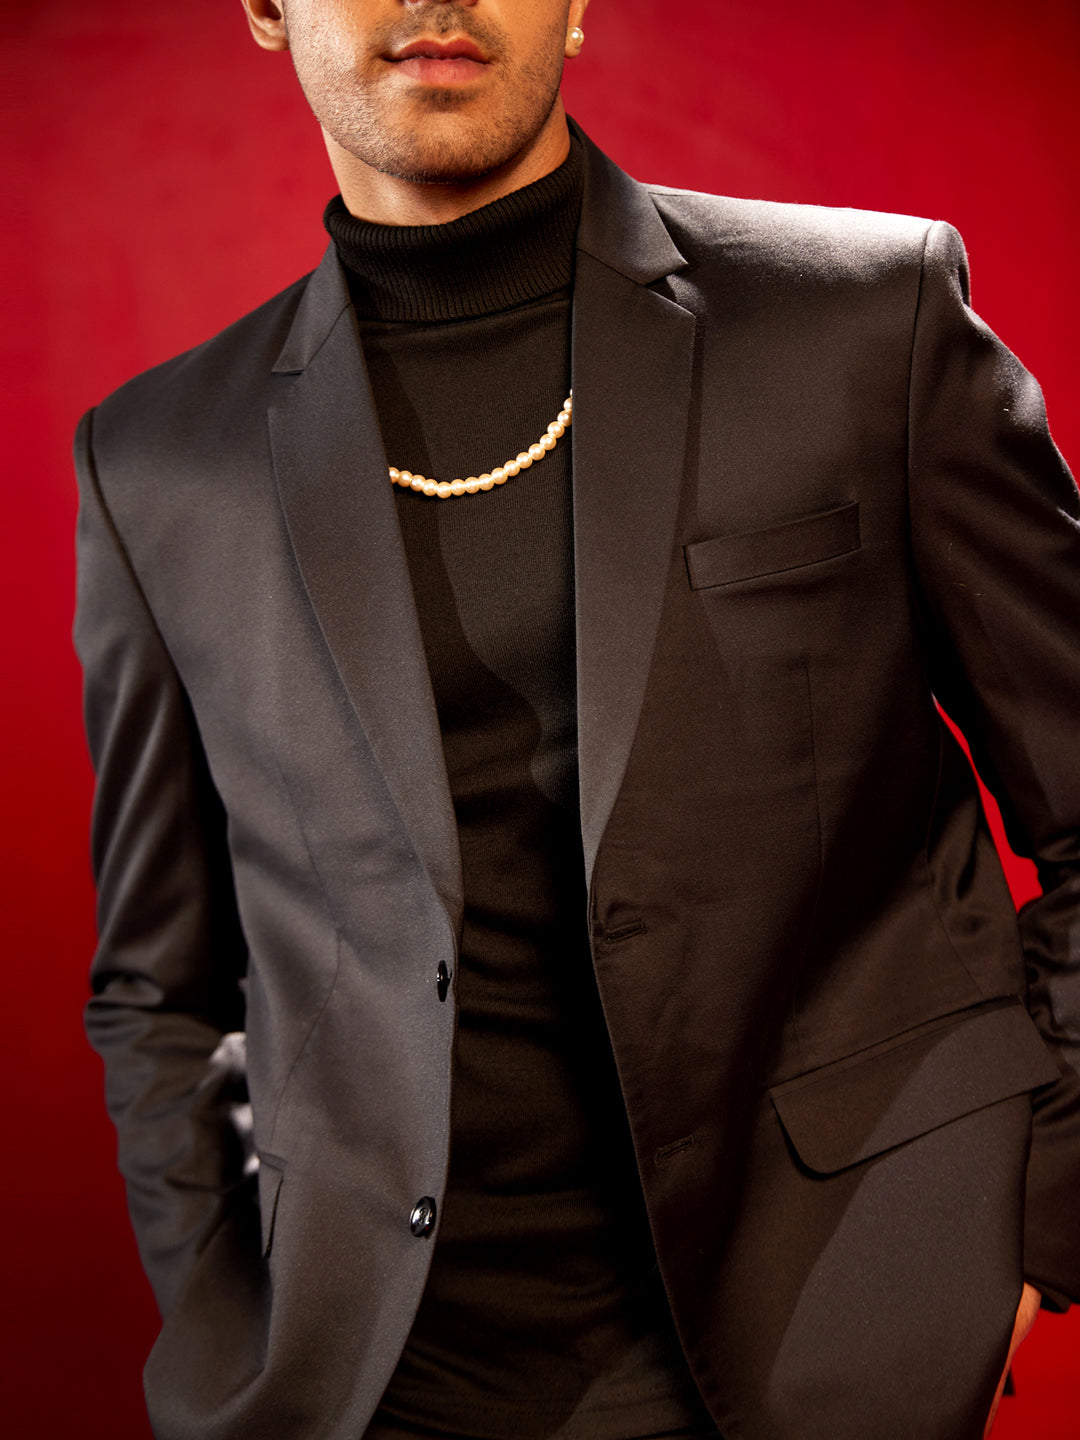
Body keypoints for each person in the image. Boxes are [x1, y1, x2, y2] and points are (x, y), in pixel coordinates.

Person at [73, 2, 1080, 1438]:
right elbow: (158, 988)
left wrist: (1040, 1219)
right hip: (369, 1382)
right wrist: (224, 1327)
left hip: (830, 1342)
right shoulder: (156, 461)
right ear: (264, 8)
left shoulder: (868, 317)